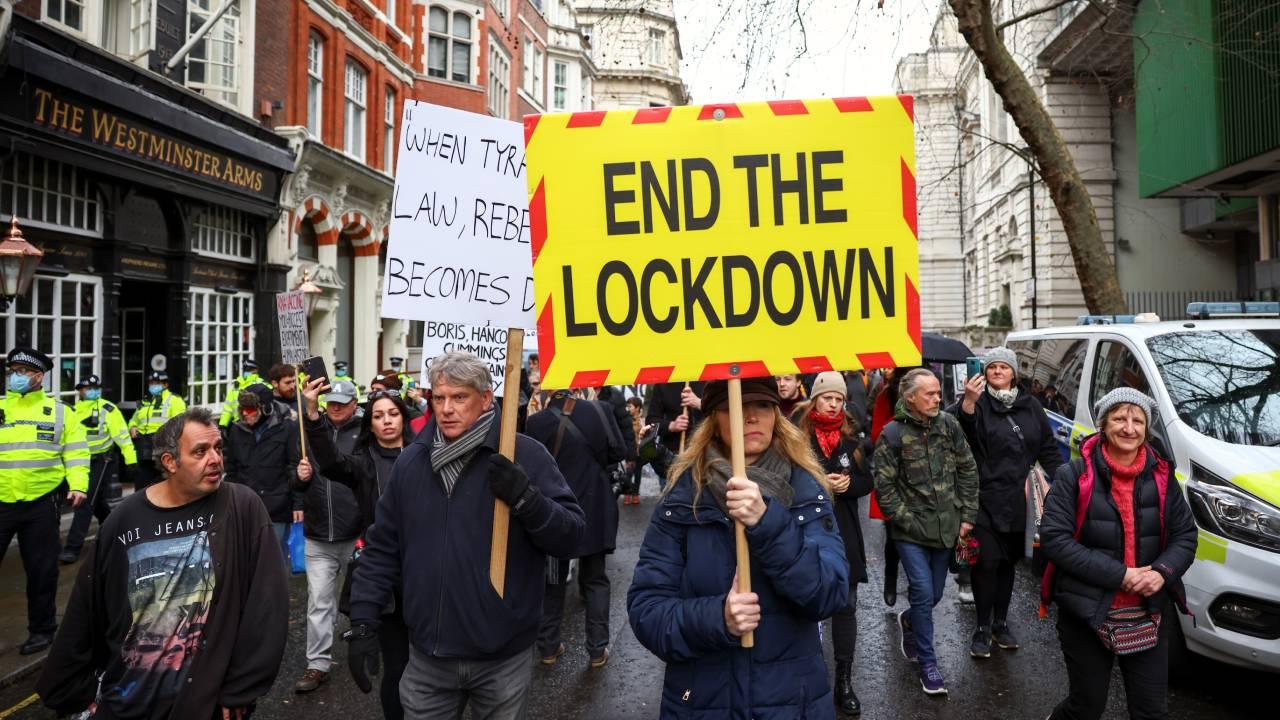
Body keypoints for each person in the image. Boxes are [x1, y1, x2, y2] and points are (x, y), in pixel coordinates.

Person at [340, 352, 583, 720]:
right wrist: (362, 621)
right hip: (427, 658)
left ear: (485, 399)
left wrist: (526, 499)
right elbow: (382, 547)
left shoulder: (524, 455)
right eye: (439, 398)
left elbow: (571, 536)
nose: (447, 409)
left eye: (459, 397)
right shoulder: (412, 462)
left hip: (502, 660)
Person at [37, 407, 288, 719]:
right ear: (169, 462)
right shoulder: (124, 518)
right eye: (200, 451)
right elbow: (88, 607)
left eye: (218, 448)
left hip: (203, 703)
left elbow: (266, 607)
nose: (215, 459)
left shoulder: (241, 506)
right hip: (128, 699)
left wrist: (241, 688)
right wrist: (76, 690)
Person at [628, 376, 849, 719]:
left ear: (776, 415)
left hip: (792, 703)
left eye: (762, 405)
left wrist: (768, 524)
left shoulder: (806, 490)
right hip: (702, 704)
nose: (751, 417)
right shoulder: (684, 498)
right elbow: (647, 611)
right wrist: (719, 618)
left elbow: (830, 593)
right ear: (713, 421)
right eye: (735, 406)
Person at [1040, 389, 1196, 720]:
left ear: (1147, 427)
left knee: (1151, 711)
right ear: (1103, 424)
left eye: (1138, 420)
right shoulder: (1074, 475)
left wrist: (1162, 572)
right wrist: (1122, 575)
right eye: (1119, 418)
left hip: (1147, 613)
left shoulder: (1164, 477)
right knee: (1086, 707)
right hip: (1087, 612)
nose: (1129, 428)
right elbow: (1055, 539)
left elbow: (1185, 535)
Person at [300, 376, 417, 719]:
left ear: (403, 418)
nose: (386, 420)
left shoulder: (425, 456)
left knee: (432, 669)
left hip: (427, 577)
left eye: (392, 413)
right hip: (388, 582)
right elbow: (331, 461)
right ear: (371, 423)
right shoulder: (363, 464)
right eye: (378, 415)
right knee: (396, 668)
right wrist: (312, 412)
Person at [872, 368, 978, 696]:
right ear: (910, 398)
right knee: (921, 590)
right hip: (910, 531)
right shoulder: (892, 434)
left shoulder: (948, 425)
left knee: (931, 595)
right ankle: (928, 664)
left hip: (947, 527)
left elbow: (967, 467)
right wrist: (905, 520)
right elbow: (884, 486)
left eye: (937, 393)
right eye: (929, 394)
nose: (938, 398)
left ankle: (910, 621)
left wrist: (967, 515)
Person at [956, 347, 1065, 658]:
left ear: (1015, 373)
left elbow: (1047, 446)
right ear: (984, 372)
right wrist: (968, 403)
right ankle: (981, 626)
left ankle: (1000, 623)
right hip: (983, 496)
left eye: (1004, 367)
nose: (998, 371)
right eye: (992, 367)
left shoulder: (1030, 406)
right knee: (986, 561)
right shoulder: (976, 402)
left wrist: (1067, 480)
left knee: (1007, 564)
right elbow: (962, 433)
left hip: (1020, 498)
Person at [527, 390, 628, 668]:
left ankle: (548, 646)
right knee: (595, 579)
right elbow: (619, 451)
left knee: (553, 579)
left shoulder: (536, 423)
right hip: (595, 506)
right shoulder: (600, 410)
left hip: (555, 509)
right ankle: (597, 650)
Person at [0, 347, 89, 655]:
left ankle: (42, 631)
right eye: (13, 370)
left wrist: (78, 486)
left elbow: (77, 453)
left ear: (39, 376)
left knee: (41, 572)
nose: (16, 376)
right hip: (1, 501)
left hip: (41, 503)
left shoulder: (61, 412)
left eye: (23, 371)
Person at [797, 371, 873, 716]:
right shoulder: (796, 440)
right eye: (827, 397)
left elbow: (866, 482)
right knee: (804, 608)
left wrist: (848, 485)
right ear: (815, 399)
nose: (833, 403)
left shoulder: (851, 442)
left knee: (847, 606)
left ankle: (844, 680)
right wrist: (819, 484)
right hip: (806, 534)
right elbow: (783, 482)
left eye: (839, 399)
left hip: (844, 534)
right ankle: (806, 678)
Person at [293, 379, 365, 694]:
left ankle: (372, 654)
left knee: (365, 602)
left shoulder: (366, 432)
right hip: (319, 534)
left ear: (354, 403)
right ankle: (317, 665)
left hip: (358, 535)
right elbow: (289, 476)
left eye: (341, 402)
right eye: (331, 401)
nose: (335, 406)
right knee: (319, 602)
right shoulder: (306, 430)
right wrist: (298, 478)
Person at [61, 374, 137, 564]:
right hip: (77, 461)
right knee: (97, 502)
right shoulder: (72, 410)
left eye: (96, 388)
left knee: (85, 503)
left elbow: (122, 435)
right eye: (88, 388)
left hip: (101, 461)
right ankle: (116, 526)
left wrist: (131, 459)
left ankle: (72, 548)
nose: (92, 391)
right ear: (80, 391)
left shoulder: (108, 409)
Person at [223, 383, 300, 562]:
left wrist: (298, 504)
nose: (244, 414)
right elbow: (231, 469)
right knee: (246, 558)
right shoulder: (236, 430)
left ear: (265, 408)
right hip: (245, 506)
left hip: (277, 505)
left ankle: (276, 590)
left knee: (274, 559)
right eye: (242, 409)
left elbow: (293, 466)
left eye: (250, 410)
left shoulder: (287, 428)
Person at [129, 370, 186, 491]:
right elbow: (134, 419)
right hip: (144, 448)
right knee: (141, 485)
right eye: (151, 383)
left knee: (163, 484)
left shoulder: (174, 400)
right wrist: (133, 427)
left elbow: (179, 424)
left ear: (165, 384)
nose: (153, 385)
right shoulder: (145, 401)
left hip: (163, 446)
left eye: (156, 383)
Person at [645, 380, 705, 452]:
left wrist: (700, 403)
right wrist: (671, 426)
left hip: (705, 450)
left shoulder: (711, 381)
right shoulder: (662, 385)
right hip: (673, 452)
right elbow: (650, 421)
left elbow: (720, 412)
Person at [219, 358, 262, 427]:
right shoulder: (236, 386)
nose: (246, 372)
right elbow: (227, 409)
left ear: (256, 370)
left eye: (249, 369)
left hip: (256, 424)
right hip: (238, 425)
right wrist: (222, 426)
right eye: (245, 369)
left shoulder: (262, 385)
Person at [622, 396, 645, 504]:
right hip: (629, 451)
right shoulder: (626, 420)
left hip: (640, 451)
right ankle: (627, 493)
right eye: (627, 406)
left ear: (637, 407)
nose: (628, 408)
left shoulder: (643, 420)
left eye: (630, 406)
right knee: (629, 473)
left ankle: (635, 494)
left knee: (638, 473)